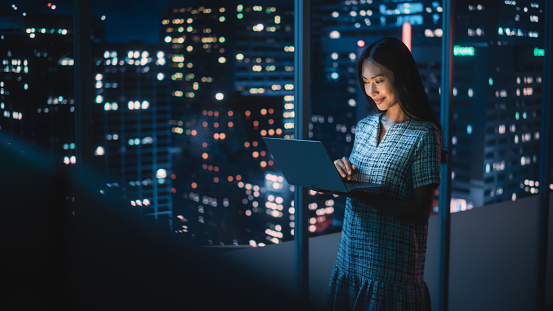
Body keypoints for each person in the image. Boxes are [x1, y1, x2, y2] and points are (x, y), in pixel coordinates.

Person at [325, 37, 443, 310]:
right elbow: (359, 181)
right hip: (350, 258)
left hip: (389, 269)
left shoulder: (425, 134)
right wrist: (342, 174)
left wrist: (364, 196)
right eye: (366, 82)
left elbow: (420, 211)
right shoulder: (365, 127)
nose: (371, 90)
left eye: (378, 80)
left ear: (401, 76)